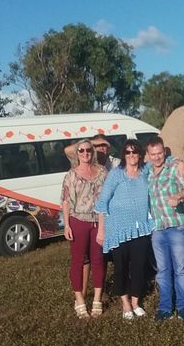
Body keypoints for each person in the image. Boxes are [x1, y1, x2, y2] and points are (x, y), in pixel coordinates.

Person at [94, 139, 155, 320]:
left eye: (134, 152)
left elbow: (164, 158)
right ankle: (126, 304)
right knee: (121, 267)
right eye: (127, 152)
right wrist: (101, 230)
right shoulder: (116, 174)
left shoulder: (146, 171)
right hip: (117, 229)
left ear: (140, 154)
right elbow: (102, 202)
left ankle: (136, 302)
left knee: (138, 267)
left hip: (140, 229)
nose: (131, 155)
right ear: (123, 155)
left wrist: (180, 163)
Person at [146, 137, 184, 322]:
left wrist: (179, 195)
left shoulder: (175, 168)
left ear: (164, 152)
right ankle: (165, 308)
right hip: (158, 229)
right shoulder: (147, 172)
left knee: (181, 269)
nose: (157, 157)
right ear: (148, 155)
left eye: (160, 153)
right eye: (153, 154)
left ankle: (183, 307)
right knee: (163, 271)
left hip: (177, 226)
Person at [66, 135, 120, 301]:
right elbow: (68, 150)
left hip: (104, 219)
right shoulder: (78, 165)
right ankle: (81, 295)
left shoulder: (112, 164)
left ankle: (100, 292)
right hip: (82, 220)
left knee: (99, 257)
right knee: (83, 260)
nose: (102, 149)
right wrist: (93, 143)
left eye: (105, 146)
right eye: (99, 146)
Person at [61, 139, 108, 318]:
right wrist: (66, 225)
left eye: (89, 150)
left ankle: (97, 299)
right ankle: (79, 299)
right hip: (78, 221)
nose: (85, 153)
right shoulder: (71, 175)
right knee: (78, 261)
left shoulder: (102, 172)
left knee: (98, 260)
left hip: (98, 221)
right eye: (81, 150)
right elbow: (65, 201)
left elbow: (109, 196)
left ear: (93, 152)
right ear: (77, 153)